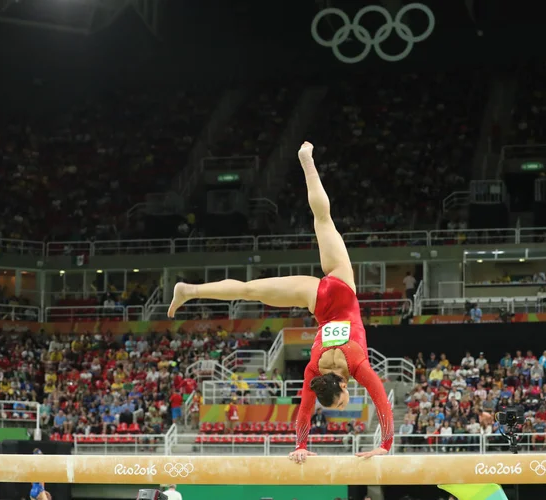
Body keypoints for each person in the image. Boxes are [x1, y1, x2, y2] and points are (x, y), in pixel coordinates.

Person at [168, 142, 394, 462]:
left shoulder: (356, 365)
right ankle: (189, 291)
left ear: (342, 386)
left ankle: (191, 291)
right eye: (343, 405)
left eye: (341, 402)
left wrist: (384, 445)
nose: (347, 402)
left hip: (337, 292)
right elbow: (307, 411)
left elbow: (379, 400)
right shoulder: (317, 369)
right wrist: (300, 444)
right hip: (317, 300)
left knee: (320, 222)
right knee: (255, 284)